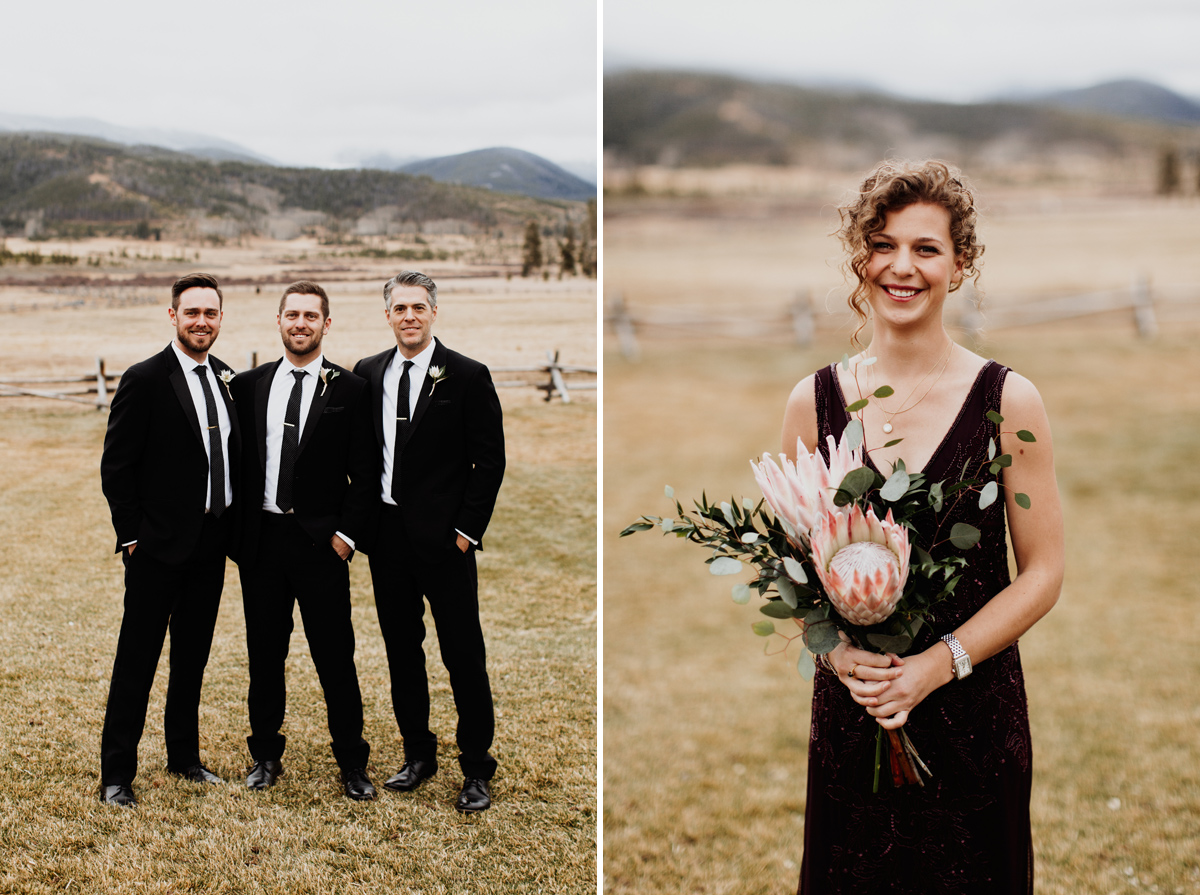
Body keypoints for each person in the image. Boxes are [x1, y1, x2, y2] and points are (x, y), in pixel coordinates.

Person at [780, 160, 1064, 893]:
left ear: (960, 263)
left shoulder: (1010, 400)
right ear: (860, 257)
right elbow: (789, 570)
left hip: (974, 713)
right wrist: (840, 658)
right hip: (858, 713)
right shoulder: (812, 403)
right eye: (882, 244)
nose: (901, 266)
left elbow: (1042, 571)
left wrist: (939, 663)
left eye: (926, 248)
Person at [354, 270, 506, 813]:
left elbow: (489, 460)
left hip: (447, 542)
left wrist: (466, 533)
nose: (409, 316)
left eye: (418, 307)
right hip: (388, 539)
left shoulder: (467, 375)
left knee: (463, 654)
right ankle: (418, 755)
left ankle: (476, 769)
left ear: (433, 312)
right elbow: (360, 458)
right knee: (402, 653)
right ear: (388, 315)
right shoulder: (368, 373)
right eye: (400, 308)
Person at [231, 281, 378, 801]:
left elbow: (367, 471)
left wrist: (345, 536)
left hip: (322, 545)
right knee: (264, 654)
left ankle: (352, 764)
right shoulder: (247, 385)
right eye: (292, 314)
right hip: (263, 542)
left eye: (311, 316)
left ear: (326, 324)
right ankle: (265, 757)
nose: (301, 323)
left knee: (335, 656)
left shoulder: (352, 389)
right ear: (278, 321)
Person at [99, 272, 240, 807]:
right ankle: (117, 775)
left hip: (210, 546)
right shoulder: (145, 378)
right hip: (156, 549)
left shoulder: (227, 378)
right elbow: (117, 466)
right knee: (136, 660)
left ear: (220, 319)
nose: (201, 321)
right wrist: (132, 539)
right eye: (192, 312)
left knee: (192, 660)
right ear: (173, 315)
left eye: (210, 313)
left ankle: (184, 757)